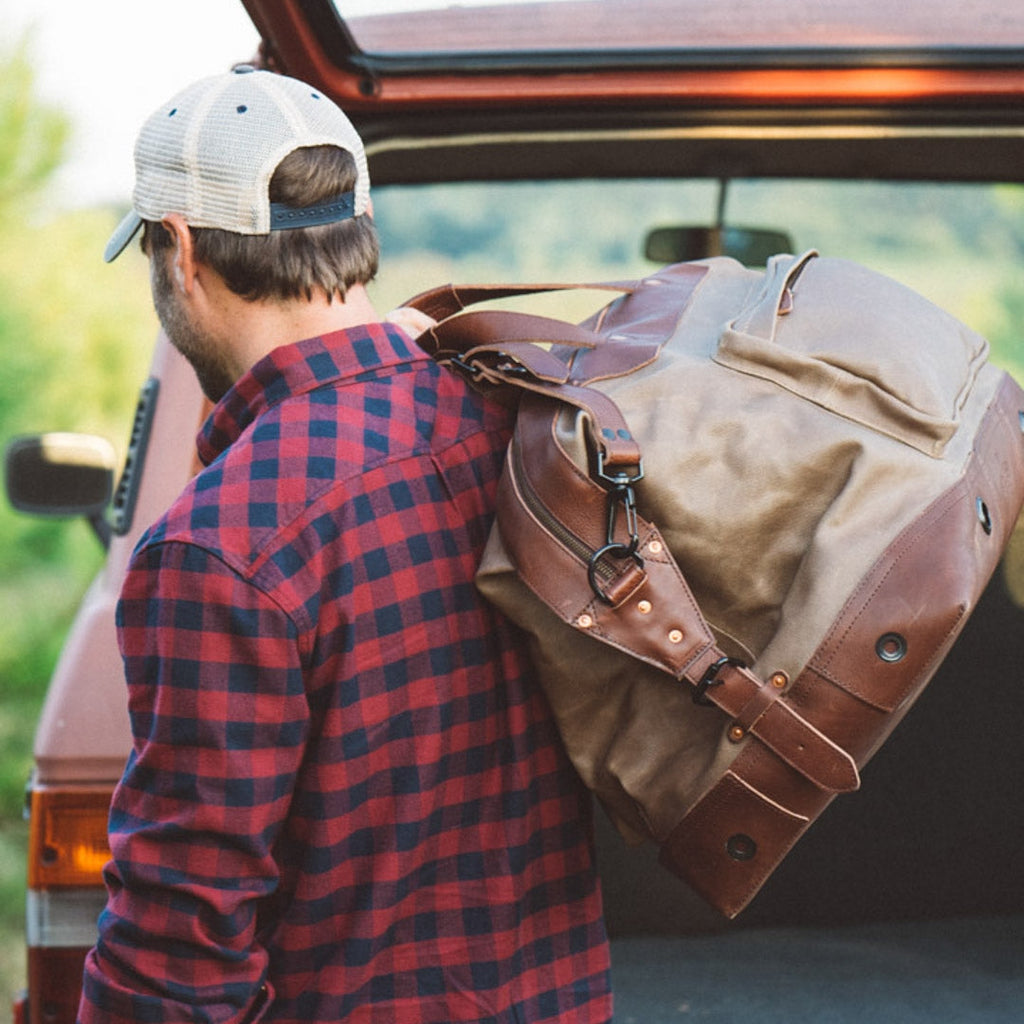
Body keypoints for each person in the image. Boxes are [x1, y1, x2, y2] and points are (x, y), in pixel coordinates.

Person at [78, 66, 612, 1024]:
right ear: (354, 230)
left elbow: (177, 946)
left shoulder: (217, 546)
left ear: (183, 251)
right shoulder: (518, 428)